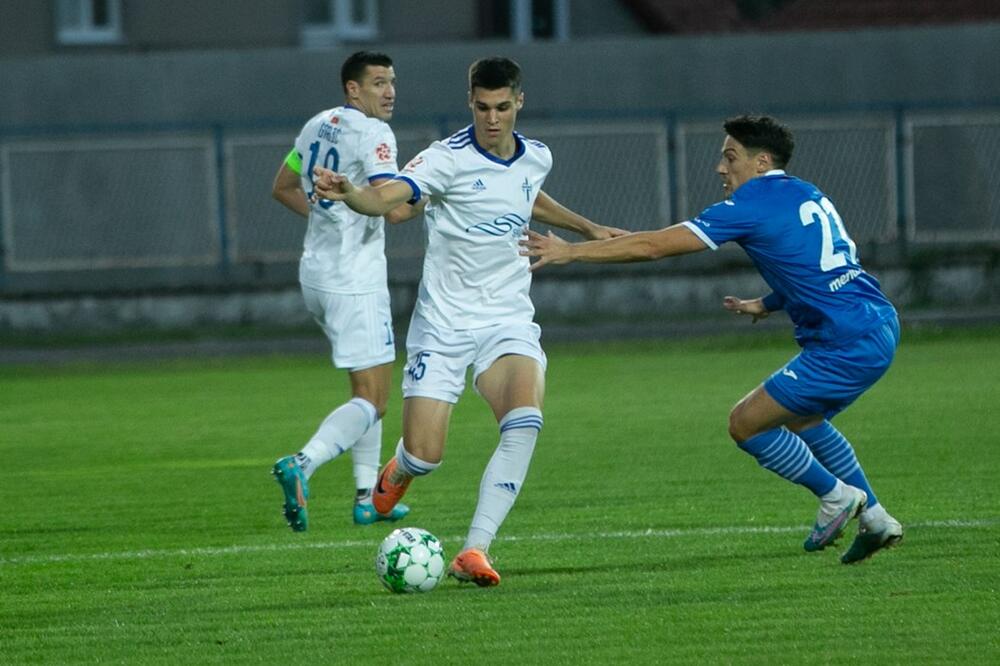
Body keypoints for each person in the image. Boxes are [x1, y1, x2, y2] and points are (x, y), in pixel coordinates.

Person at [520, 115, 903, 564]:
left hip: (844, 339)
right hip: (878, 322)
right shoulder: (805, 192)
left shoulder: (747, 206)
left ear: (760, 162)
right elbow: (822, 265)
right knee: (803, 418)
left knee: (745, 423)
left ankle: (837, 497)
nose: (722, 168)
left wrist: (570, 251)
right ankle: (875, 518)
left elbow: (653, 246)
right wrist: (768, 302)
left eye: (730, 156)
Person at [312, 57, 626, 585]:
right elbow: (390, 197)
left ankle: (475, 550)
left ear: (518, 103)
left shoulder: (537, 157)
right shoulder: (445, 160)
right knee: (426, 456)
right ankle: (400, 470)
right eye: (482, 108)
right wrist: (353, 194)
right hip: (443, 326)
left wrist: (587, 227)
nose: (493, 118)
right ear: (470, 104)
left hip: (507, 320)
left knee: (525, 421)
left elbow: (526, 194)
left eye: (503, 107)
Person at [270, 51, 421, 532]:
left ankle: (365, 499)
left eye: (392, 82)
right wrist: (430, 192)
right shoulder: (374, 133)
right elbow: (393, 210)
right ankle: (304, 463)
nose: (390, 91)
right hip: (355, 282)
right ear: (353, 89)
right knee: (374, 401)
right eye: (378, 83)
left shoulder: (317, 124)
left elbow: (283, 185)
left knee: (363, 390)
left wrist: (325, 216)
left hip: (316, 273)